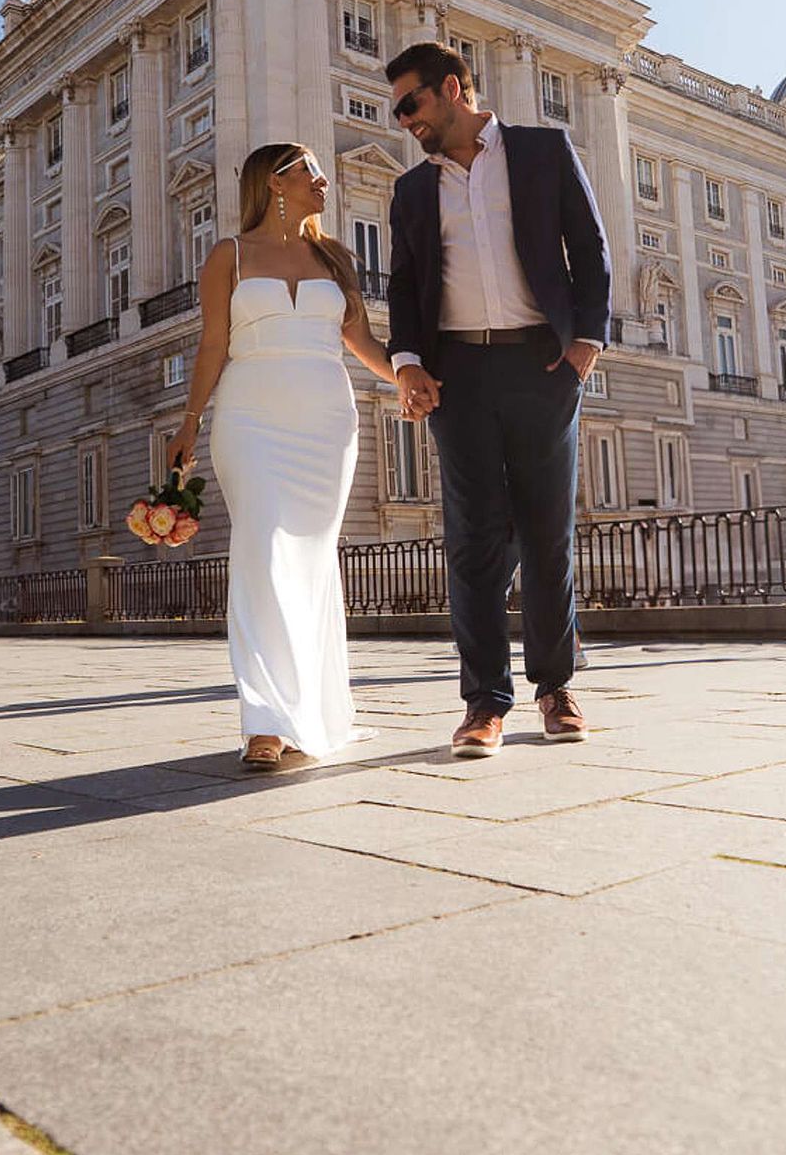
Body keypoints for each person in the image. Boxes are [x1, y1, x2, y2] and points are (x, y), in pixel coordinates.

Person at [384, 43, 610, 754]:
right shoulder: (413, 190)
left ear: (452, 88)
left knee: (548, 533)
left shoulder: (543, 150)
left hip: (543, 362)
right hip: (459, 374)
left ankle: (556, 688)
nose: (403, 121)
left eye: (410, 104)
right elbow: (404, 286)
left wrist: (584, 349)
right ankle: (484, 701)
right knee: (474, 539)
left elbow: (591, 249)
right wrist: (409, 364)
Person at [167, 144, 398, 770]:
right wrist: (188, 421)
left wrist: (408, 379)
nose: (324, 181)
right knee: (262, 550)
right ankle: (264, 721)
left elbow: (361, 340)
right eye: (310, 172)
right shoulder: (229, 256)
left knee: (312, 562)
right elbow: (214, 343)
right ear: (276, 183)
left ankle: (305, 714)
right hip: (250, 415)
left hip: (327, 420)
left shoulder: (336, 257)